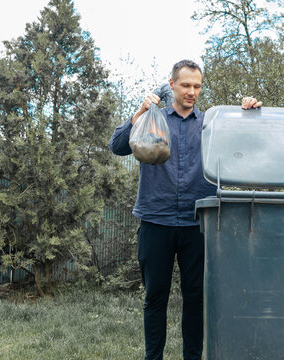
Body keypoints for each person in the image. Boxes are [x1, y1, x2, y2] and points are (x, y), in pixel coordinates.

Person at [109, 59, 262, 360]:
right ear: (172, 85)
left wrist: (249, 113)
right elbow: (117, 145)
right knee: (155, 298)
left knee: (195, 299)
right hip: (155, 222)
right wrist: (140, 110)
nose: (192, 91)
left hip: (198, 224)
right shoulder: (154, 120)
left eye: (197, 86)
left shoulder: (211, 125)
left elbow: (248, 146)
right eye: (186, 85)